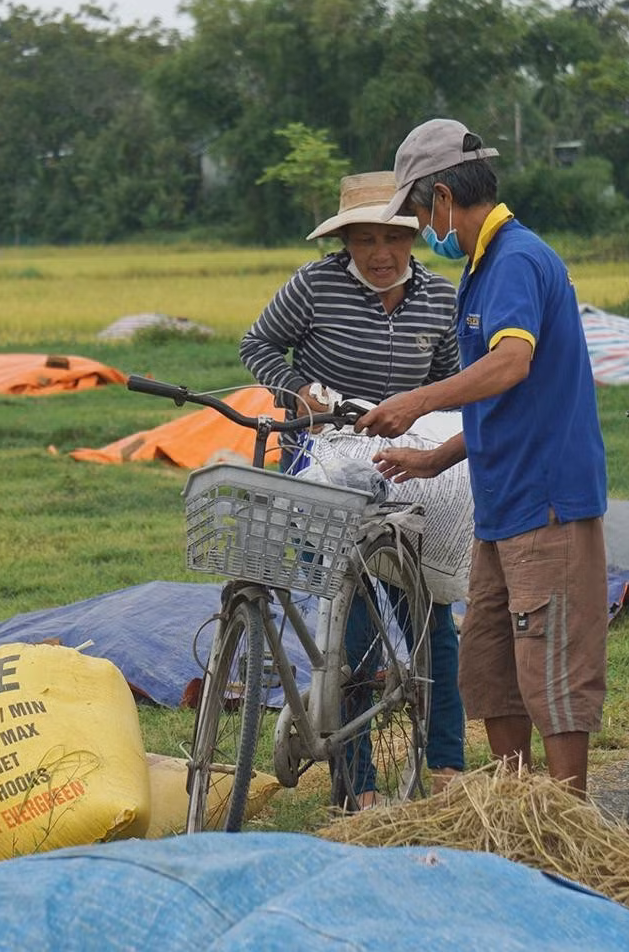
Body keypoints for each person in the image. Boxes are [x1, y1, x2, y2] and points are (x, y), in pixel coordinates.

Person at [357, 119, 608, 796]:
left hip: (545, 499)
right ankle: (512, 807)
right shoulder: (482, 266)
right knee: (492, 665)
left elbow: (511, 365)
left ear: (442, 197)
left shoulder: (516, 261)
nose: (420, 228)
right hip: (501, 503)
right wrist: (437, 457)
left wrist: (416, 401)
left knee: (552, 668)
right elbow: (511, 402)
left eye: (418, 213)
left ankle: (566, 817)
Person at [240, 170, 466, 803]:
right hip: (326, 464)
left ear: (415, 235)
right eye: (365, 239)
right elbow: (258, 343)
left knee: (429, 615)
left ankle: (447, 766)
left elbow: (451, 386)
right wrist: (296, 391)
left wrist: (430, 427)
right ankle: (357, 783)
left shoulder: (439, 299)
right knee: (354, 619)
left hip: (407, 468)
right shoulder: (315, 286)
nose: (380, 253)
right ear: (345, 243)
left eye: (393, 237)